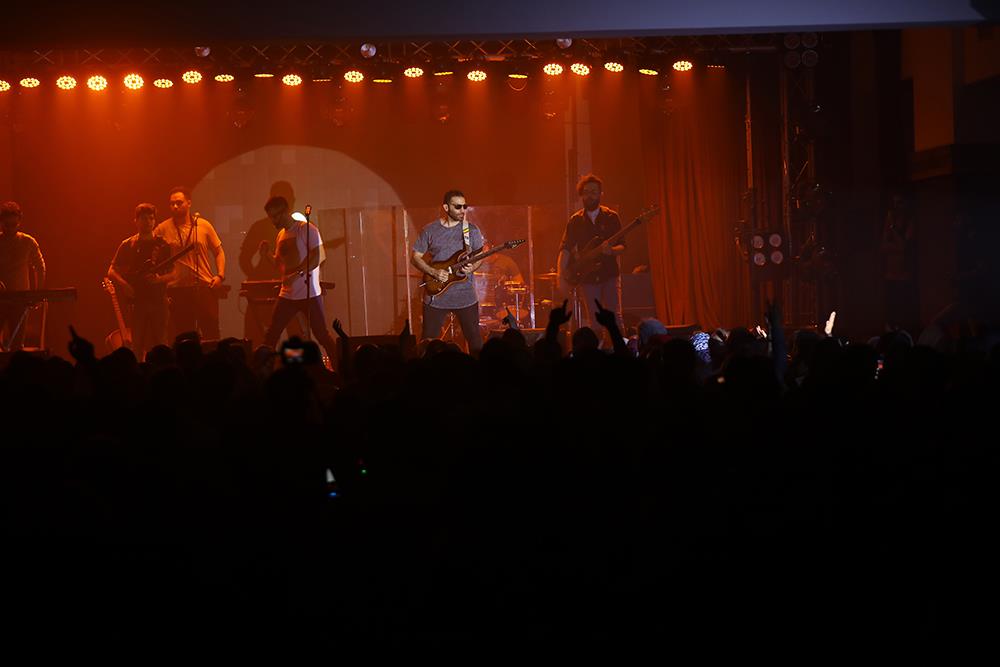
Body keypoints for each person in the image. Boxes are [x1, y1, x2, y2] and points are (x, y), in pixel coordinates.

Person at [259, 195, 339, 365]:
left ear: (284, 212)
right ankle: (263, 371)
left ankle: (342, 368)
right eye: (270, 217)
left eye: (274, 216)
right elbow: (280, 265)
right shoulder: (281, 235)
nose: (272, 221)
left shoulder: (307, 229)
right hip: (287, 295)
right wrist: (266, 256)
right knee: (271, 334)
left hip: (309, 294)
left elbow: (319, 256)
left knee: (321, 335)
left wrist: (297, 274)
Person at [410, 189, 484, 354]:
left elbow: (479, 257)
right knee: (427, 344)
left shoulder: (471, 230)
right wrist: (433, 272)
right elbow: (415, 258)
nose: (462, 210)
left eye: (464, 206)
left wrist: (473, 267)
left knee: (475, 342)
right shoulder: (430, 230)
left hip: (465, 296)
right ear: (446, 207)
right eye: (457, 207)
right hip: (436, 295)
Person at [153, 186, 226, 340]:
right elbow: (152, 255)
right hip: (177, 290)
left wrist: (220, 275)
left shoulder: (203, 225)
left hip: (204, 286)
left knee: (211, 333)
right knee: (184, 336)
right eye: (172, 203)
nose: (175, 206)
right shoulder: (162, 229)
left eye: (179, 203)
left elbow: (219, 251)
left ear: (189, 203)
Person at [557, 174, 625, 338]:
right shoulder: (575, 221)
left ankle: (621, 349)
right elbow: (565, 249)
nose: (590, 196)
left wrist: (612, 251)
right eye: (586, 192)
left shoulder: (611, 217)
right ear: (581, 195)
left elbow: (623, 245)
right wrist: (561, 274)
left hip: (609, 274)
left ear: (601, 194)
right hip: (587, 277)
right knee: (594, 321)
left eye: (594, 192)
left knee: (614, 318)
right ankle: (596, 350)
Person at [107, 203, 171, 359]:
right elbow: (111, 271)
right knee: (137, 344)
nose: (148, 222)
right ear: (135, 221)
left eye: (151, 218)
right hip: (137, 302)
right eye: (143, 218)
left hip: (158, 300)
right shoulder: (128, 244)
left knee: (161, 343)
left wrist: (159, 279)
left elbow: (175, 272)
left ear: (154, 221)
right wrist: (125, 285)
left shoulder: (163, 244)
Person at [0, 201, 46, 350]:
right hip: (1, 299)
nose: (10, 229)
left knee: (17, 344)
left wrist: (37, 293)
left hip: (20, 300)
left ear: (19, 222)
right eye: (6, 225)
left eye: (13, 225)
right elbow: (40, 267)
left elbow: (40, 267)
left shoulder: (28, 242)